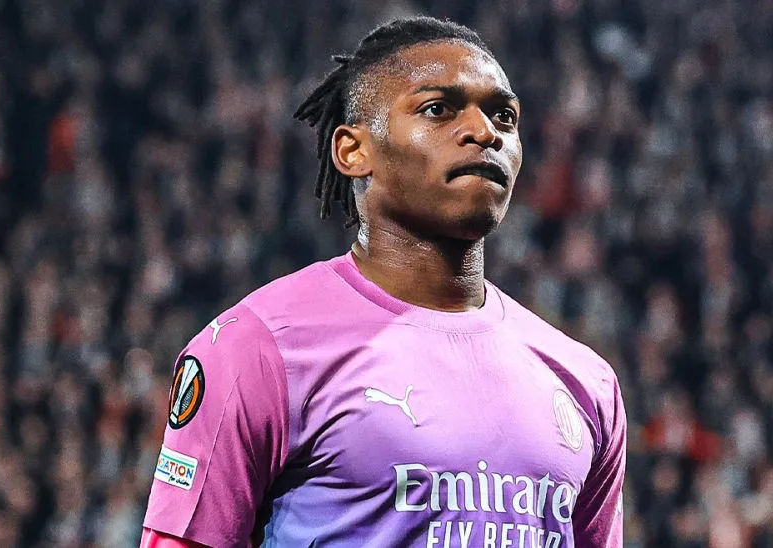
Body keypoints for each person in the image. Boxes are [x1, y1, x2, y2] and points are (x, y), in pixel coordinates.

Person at [140, 16, 625, 548]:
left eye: (503, 116)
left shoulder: (585, 381)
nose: (485, 132)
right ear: (353, 151)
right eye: (438, 109)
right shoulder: (258, 348)